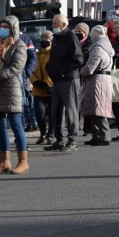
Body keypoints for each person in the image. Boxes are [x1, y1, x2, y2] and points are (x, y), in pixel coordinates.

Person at [0, 16, 29, 174]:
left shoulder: (19, 45)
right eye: (1, 26)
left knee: (16, 126)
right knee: (0, 126)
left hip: (11, 89)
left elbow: (16, 68)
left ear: (13, 29)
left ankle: (23, 161)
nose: (3, 29)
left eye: (6, 26)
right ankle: (4, 161)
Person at [44, 14, 84, 152]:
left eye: (55, 23)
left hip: (68, 79)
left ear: (63, 25)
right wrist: (49, 68)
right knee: (56, 110)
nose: (53, 25)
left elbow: (78, 60)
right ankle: (59, 140)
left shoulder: (70, 37)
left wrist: (62, 70)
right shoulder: (56, 38)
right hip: (57, 80)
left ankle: (72, 140)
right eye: (52, 22)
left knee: (71, 110)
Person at [80, 25, 115, 145]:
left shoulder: (98, 48)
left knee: (98, 110)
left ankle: (104, 136)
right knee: (97, 109)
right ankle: (97, 135)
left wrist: (81, 71)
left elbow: (90, 67)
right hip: (103, 79)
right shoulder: (106, 47)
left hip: (97, 80)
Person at [30, 31, 55, 145]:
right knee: (39, 113)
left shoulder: (54, 53)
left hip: (50, 88)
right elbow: (30, 70)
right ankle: (42, 133)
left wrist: (47, 82)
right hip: (38, 89)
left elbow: (55, 69)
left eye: (46, 38)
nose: (44, 40)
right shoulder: (36, 54)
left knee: (51, 113)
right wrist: (35, 81)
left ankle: (51, 134)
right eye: (42, 37)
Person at [74, 22, 92, 135]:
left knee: (86, 103)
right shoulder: (73, 42)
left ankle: (87, 128)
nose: (78, 33)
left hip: (85, 76)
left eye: (80, 31)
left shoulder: (90, 44)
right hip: (75, 75)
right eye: (76, 31)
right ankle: (75, 127)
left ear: (85, 33)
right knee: (76, 103)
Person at [18, 31, 38, 132]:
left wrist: (27, 73)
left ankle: (32, 123)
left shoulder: (24, 39)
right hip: (7, 82)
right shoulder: (0, 40)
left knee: (25, 106)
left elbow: (32, 58)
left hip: (23, 80)